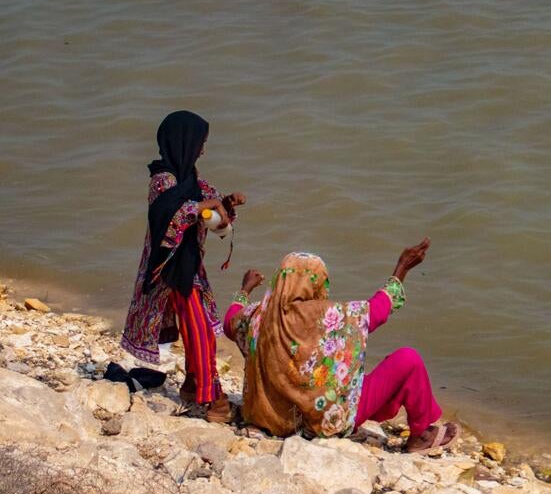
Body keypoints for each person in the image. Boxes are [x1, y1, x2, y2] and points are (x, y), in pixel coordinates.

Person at [223, 240, 461, 453]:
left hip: (273, 419)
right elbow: (376, 312)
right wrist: (400, 271)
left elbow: (228, 322)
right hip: (322, 422)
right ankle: (420, 435)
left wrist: (244, 291)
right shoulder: (322, 316)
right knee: (408, 359)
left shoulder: (255, 315)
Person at [121, 110, 246, 423]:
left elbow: (208, 199)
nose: (202, 149)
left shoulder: (189, 176)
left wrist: (226, 202)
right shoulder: (162, 179)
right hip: (170, 270)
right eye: (200, 142)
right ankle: (213, 400)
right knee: (201, 331)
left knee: (195, 328)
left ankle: (192, 385)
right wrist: (206, 207)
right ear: (184, 142)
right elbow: (169, 213)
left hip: (187, 266)